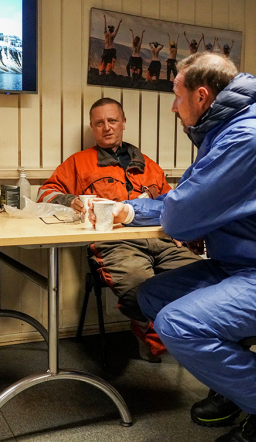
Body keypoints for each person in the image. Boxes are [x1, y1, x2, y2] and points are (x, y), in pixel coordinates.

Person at [91, 53, 256, 442]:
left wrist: (190, 220)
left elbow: (181, 214)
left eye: (177, 96)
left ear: (202, 96)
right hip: (253, 265)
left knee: (179, 324)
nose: (174, 107)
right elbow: (183, 205)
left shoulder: (248, 139)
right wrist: (132, 210)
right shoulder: (227, 133)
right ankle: (233, 387)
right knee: (151, 296)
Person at [37, 98, 200, 362]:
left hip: (161, 240)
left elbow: (172, 203)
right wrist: (70, 200)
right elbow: (44, 192)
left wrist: (180, 231)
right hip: (115, 244)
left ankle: (180, 336)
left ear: (123, 122)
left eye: (112, 120)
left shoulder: (147, 163)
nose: (107, 128)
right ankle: (148, 332)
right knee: (138, 285)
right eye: (99, 123)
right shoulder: (79, 162)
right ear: (92, 127)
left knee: (200, 279)